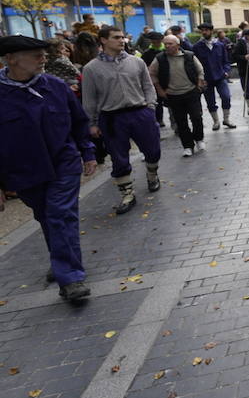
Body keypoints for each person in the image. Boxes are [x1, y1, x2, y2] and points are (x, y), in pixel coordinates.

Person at [0, 36, 98, 302]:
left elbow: (79, 122)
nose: (43, 58)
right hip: (24, 172)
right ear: (11, 59)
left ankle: (71, 278)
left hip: (63, 163)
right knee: (46, 216)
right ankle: (61, 260)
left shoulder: (55, 86)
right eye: (35, 55)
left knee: (60, 214)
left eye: (43, 53)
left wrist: (87, 153)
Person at [81, 27, 161, 214]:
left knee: (152, 149)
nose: (122, 40)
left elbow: (148, 86)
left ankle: (152, 175)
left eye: (123, 37)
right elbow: (89, 98)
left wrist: (150, 107)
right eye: (116, 37)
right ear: (103, 40)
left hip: (140, 112)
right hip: (112, 117)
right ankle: (127, 194)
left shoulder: (136, 62)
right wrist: (92, 123)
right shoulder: (91, 68)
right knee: (118, 156)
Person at [150, 36, 207, 157]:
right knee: (181, 122)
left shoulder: (189, 55)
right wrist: (159, 90)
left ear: (177, 44)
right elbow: (152, 74)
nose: (167, 46)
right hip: (173, 95)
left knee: (197, 117)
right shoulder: (160, 58)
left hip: (191, 92)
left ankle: (199, 139)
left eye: (170, 44)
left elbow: (200, 70)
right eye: (165, 44)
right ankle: (187, 146)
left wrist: (199, 83)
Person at [194, 23, 236, 130]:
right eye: (202, 30)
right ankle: (216, 121)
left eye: (206, 30)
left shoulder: (220, 45)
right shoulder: (197, 47)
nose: (204, 32)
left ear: (211, 31)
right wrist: (199, 78)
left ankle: (226, 119)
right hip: (206, 79)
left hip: (220, 77)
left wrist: (226, 71)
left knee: (226, 96)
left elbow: (226, 61)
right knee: (210, 101)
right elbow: (195, 64)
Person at [140, 32, 167, 126]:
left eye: (158, 40)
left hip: (168, 79)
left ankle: (175, 122)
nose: (156, 42)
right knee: (158, 101)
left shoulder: (167, 50)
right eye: (154, 41)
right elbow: (143, 66)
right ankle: (159, 119)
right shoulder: (148, 53)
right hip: (154, 80)